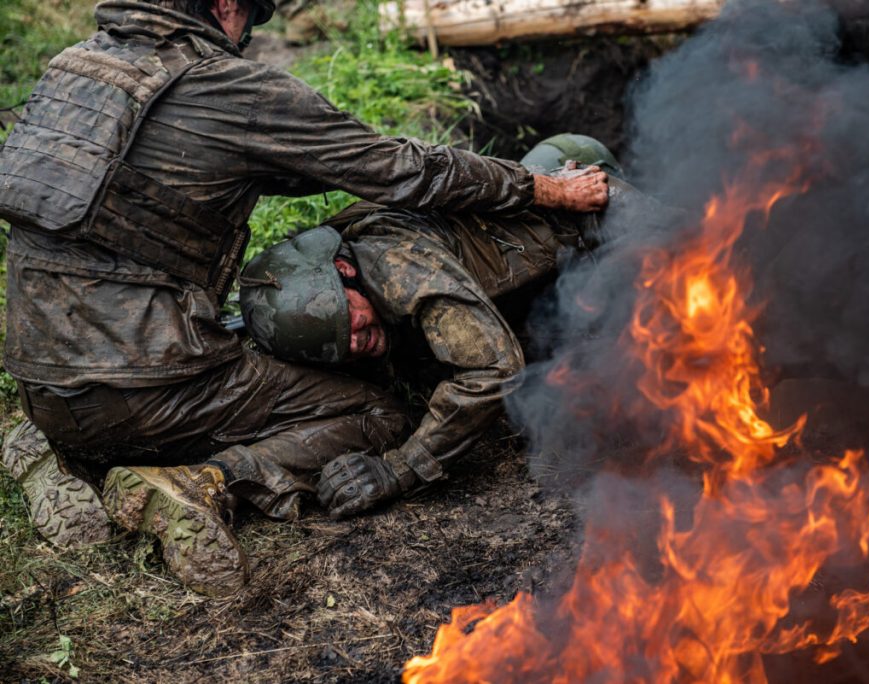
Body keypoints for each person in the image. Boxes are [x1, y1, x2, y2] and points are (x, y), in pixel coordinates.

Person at [0, 0, 607, 596]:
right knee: (374, 413)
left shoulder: (73, 69)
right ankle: (205, 481)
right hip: (147, 381)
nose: (250, 33)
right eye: (255, 16)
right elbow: (399, 168)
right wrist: (541, 186)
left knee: (252, 335)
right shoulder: (231, 87)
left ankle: (59, 449)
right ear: (225, 5)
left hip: (41, 377)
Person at [240, 135, 657, 519]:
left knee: (702, 275)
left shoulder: (396, 266)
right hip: (535, 276)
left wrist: (399, 470)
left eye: (349, 321)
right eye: (338, 345)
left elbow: (492, 372)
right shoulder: (320, 295)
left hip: (594, 206)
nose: (356, 341)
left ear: (345, 270)